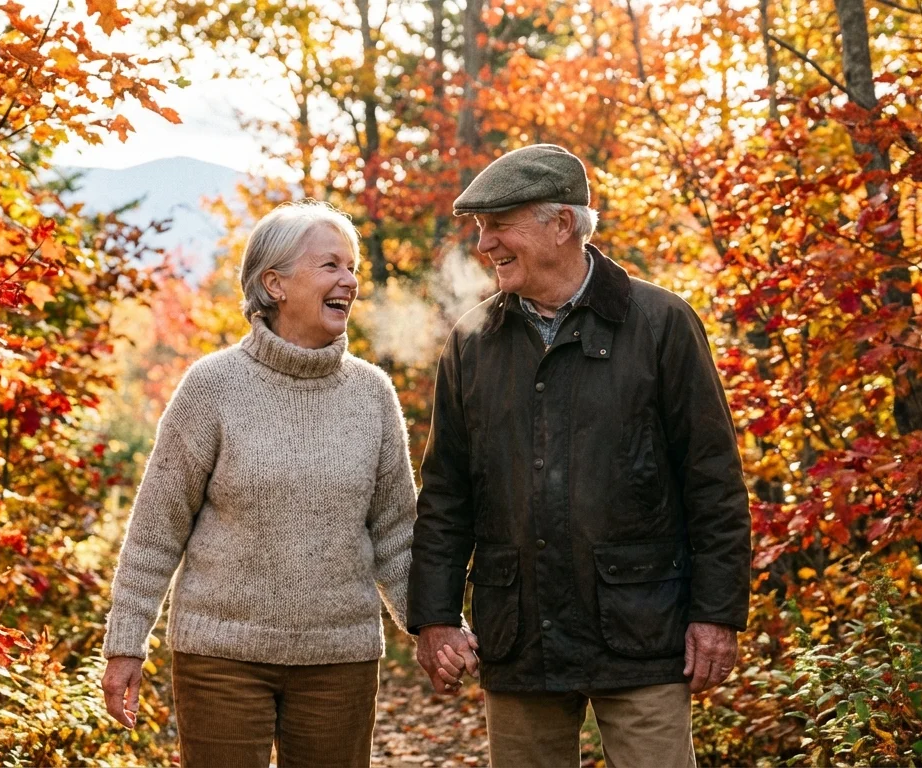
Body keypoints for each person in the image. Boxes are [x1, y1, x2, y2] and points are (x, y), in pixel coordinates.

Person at [408, 144, 752, 767]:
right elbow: (446, 495)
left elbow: (713, 483)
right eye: (481, 230)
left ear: (561, 224)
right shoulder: (471, 342)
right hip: (520, 635)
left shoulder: (661, 323)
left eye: (499, 226)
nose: (484, 245)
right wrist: (434, 616)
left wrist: (716, 612)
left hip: (642, 630)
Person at [100, 200, 425, 767]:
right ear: (274, 283)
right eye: (330, 266)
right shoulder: (212, 387)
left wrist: (432, 627)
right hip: (220, 657)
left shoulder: (371, 393)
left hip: (339, 659)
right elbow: (156, 532)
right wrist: (126, 644)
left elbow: (397, 534)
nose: (349, 280)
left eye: (352, 268)